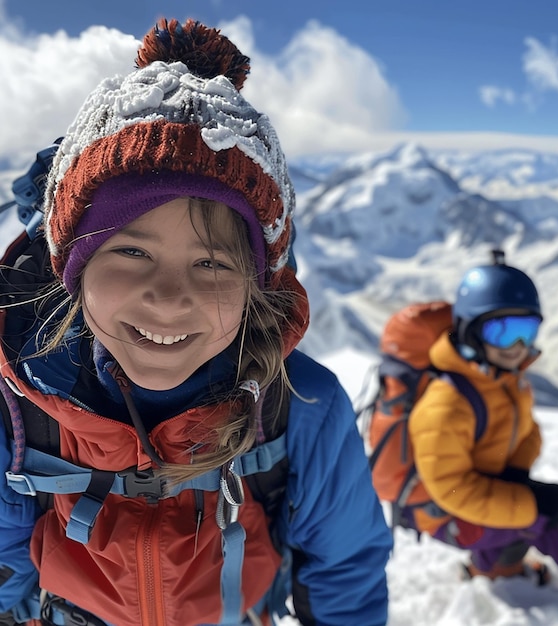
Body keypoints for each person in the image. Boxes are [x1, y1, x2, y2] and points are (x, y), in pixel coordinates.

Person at [0, 18, 391, 626]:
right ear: (72, 268)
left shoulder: (301, 409)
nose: (169, 298)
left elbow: (344, 571)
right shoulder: (20, 406)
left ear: (258, 287)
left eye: (211, 262)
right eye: (131, 251)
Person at [408, 251, 558, 605]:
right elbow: (451, 489)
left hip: (478, 492)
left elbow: (525, 431)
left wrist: (516, 473)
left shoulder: (501, 378)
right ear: (470, 330)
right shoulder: (446, 403)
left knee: (524, 500)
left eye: (527, 331)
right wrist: (527, 503)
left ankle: (497, 570)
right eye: (503, 331)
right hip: (449, 514)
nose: (518, 347)